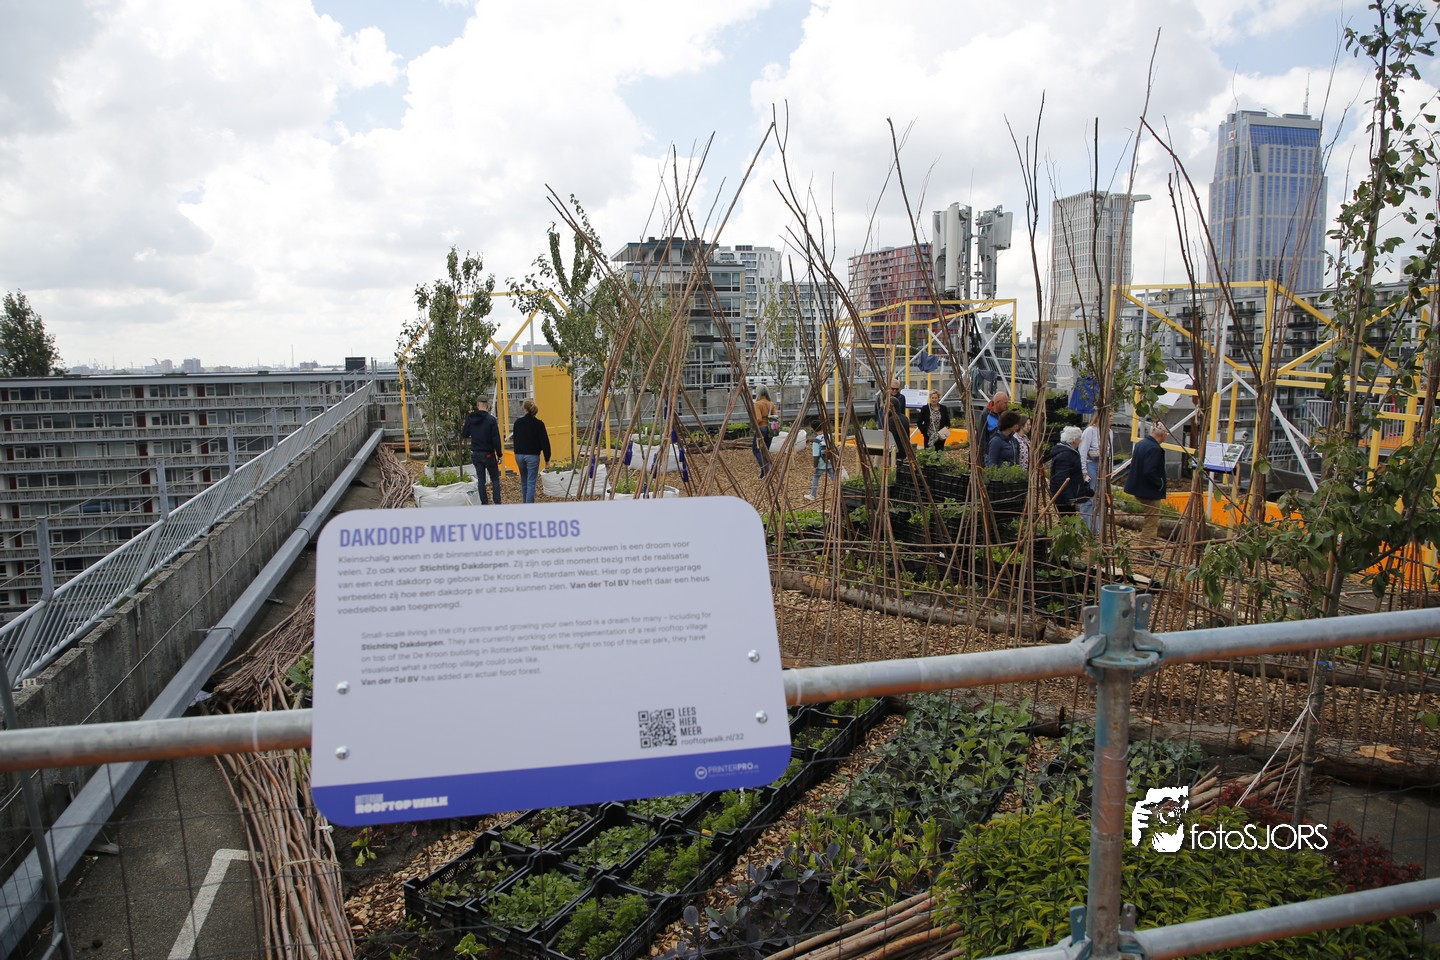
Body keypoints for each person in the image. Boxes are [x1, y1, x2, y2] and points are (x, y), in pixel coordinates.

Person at [1125, 422, 1169, 540]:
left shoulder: (1141, 444)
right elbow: (1149, 471)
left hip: (1137, 487)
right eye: (1166, 435)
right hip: (1149, 491)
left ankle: (1147, 545)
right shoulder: (1154, 449)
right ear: (1162, 435)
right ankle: (1147, 546)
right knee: (1151, 522)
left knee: (1150, 519)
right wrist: (1160, 484)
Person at [462, 398, 503, 505]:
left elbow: (464, 434)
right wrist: (499, 454)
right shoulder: (491, 420)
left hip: (476, 453)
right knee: (495, 479)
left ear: (477, 405)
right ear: (487, 405)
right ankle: (497, 502)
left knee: (481, 480)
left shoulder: (471, 418)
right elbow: (496, 439)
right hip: (489, 453)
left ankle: (484, 504)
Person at [511, 399, 551, 504]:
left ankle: (525, 504)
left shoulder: (518, 423)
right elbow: (545, 442)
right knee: (531, 482)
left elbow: (515, 439)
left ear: (524, 409)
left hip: (519, 455)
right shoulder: (539, 424)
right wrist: (547, 459)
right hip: (532, 455)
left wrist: (516, 452)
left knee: (524, 481)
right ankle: (529, 507)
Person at [1047, 425, 1094, 515]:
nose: (1081, 440)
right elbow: (1061, 479)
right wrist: (1069, 498)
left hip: (1068, 496)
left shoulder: (1070, 452)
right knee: (1067, 518)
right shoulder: (1065, 455)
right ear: (1074, 440)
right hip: (1063, 498)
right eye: (1079, 438)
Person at [1077, 414, 1106, 534]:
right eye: (1109, 416)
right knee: (1089, 497)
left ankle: (1096, 529)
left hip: (1102, 466)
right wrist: (1084, 470)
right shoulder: (1090, 431)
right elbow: (1083, 450)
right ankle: (1084, 528)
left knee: (1099, 499)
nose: (1111, 418)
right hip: (1091, 465)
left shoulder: (1108, 432)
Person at [874, 380, 912, 460]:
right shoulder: (882, 397)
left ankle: (892, 461)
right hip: (883, 424)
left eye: (896, 389)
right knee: (880, 449)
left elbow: (901, 411)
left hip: (896, 424)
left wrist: (898, 419)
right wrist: (881, 420)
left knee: (895, 446)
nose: (894, 391)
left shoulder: (901, 398)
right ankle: (878, 464)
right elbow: (877, 411)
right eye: (892, 388)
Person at [753, 387, 776, 477]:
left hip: (761, 429)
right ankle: (764, 473)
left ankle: (766, 469)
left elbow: (758, 419)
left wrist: (754, 424)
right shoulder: (771, 404)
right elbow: (775, 417)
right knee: (765, 450)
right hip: (771, 429)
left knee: (756, 450)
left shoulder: (757, 404)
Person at [807, 419, 831, 500]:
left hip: (821, 463)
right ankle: (841, 493)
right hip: (830, 461)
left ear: (814, 429)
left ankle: (813, 495)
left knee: (816, 476)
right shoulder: (829, 436)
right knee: (835, 478)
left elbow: (816, 455)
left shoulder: (816, 440)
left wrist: (815, 466)